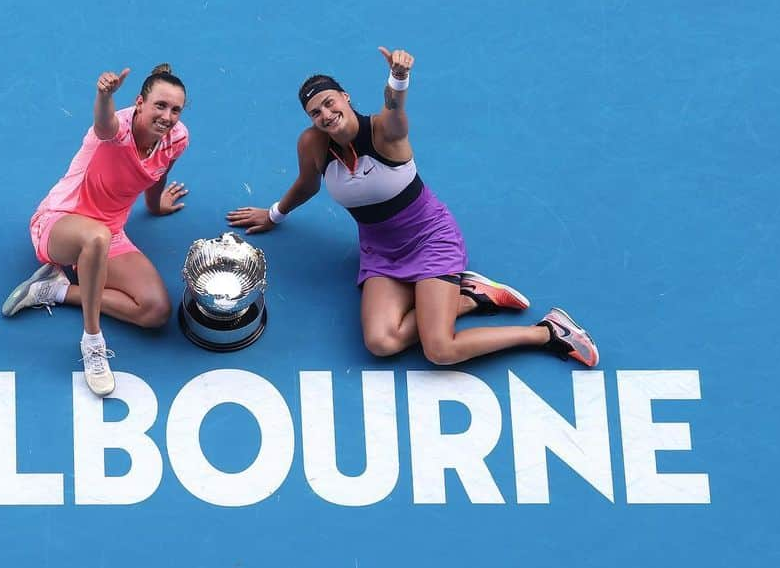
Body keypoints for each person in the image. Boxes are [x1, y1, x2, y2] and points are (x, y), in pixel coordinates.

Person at [226, 47, 598, 367]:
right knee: (381, 342)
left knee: (440, 349)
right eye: (314, 111)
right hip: (380, 253)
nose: (324, 114)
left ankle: (547, 332)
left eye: (328, 101)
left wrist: (398, 77)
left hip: (430, 241)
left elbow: (394, 106)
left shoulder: (386, 131)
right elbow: (307, 183)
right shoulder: (312, 144)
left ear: (345, 96)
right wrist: (274, 214)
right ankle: (471, 298)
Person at [2, 64, 191, 396]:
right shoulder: (116, 131)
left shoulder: (176, 138)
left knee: (156, 310)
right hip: (58, 223)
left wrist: (155, 204)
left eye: (175, 109)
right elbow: (105, 125)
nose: (168, 116)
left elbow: (157, 172)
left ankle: (52, 291)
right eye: (160, 105)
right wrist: (104, 96)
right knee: (95, 237)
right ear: (140, 103)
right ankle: (92, 342)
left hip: (110, 232)